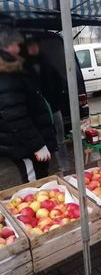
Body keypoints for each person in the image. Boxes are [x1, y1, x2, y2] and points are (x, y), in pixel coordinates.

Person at [0, 25, 57, 183]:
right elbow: (15, 116)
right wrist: (37, 145)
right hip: (24, 146)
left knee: (40, 178)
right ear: (7, 46)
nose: (20, 47)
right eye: (18, 44)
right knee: (34, 185)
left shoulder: (13, 67)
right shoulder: (6, 73)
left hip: (27, 141)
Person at [22, 39, 71, 172]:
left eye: (35, 44)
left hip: (54, 108)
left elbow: (60, 81)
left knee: (60, 141)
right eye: (30, 45)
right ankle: (45, 171)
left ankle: (65, 168)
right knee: (43, 142)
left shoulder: (46, 63)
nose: (34, 48)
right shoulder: (23, 68)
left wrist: (57, 96)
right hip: (37, 113)